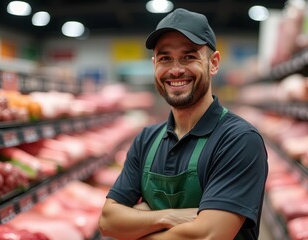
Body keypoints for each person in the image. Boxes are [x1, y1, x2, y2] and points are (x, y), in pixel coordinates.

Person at [98, 8, 268, 240]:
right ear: (154, 64)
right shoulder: (146, 139)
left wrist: (138, 221)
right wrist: (167, 217)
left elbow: (205, 236)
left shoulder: (238, 139)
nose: (175, 70)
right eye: (165, 58)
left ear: (214, 63)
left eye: (189, 56)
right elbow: (108, 221)